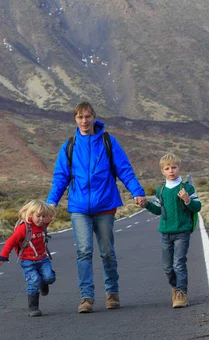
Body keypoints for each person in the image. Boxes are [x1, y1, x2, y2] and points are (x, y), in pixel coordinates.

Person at [46, 102, 145, 313]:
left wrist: (136, 191)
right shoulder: (70, 146)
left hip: (105, 205)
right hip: (79, 208)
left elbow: (124, 169)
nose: (84, 121)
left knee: (107, 252)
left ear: (94, 118)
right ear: (75, 120)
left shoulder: (108, 142)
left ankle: (112, 293)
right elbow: (60, 177)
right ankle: (87, 297)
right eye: (80, 117)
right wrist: (51, 202)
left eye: (88, 117)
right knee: (83, 252)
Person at [138, 153, 201, 308]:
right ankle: (175, 287)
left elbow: (197, 207)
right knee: (167, 267)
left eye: (174, 167)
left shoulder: (187, 188)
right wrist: (146, 204)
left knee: (179, 263)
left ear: (179, 168)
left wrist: (187, 199)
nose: (171, 171)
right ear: (162, 171)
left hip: (182, 232)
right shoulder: (161, 190)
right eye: (167, 168)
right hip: (166, 233)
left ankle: (181, 293)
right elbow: (159, 210)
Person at [0, 200, 56, 317]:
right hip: (27, 261)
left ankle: (45, 283)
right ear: (30, 215)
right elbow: (11, 241)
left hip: (42, 259)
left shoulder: (43, 224)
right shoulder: (24, 228)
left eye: (43, 216)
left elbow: (51, 214)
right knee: (34, 281)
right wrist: (3, 256)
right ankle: (33, 307)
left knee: (49, 278)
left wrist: (52, 206)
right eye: (38, 216)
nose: (41, 219)